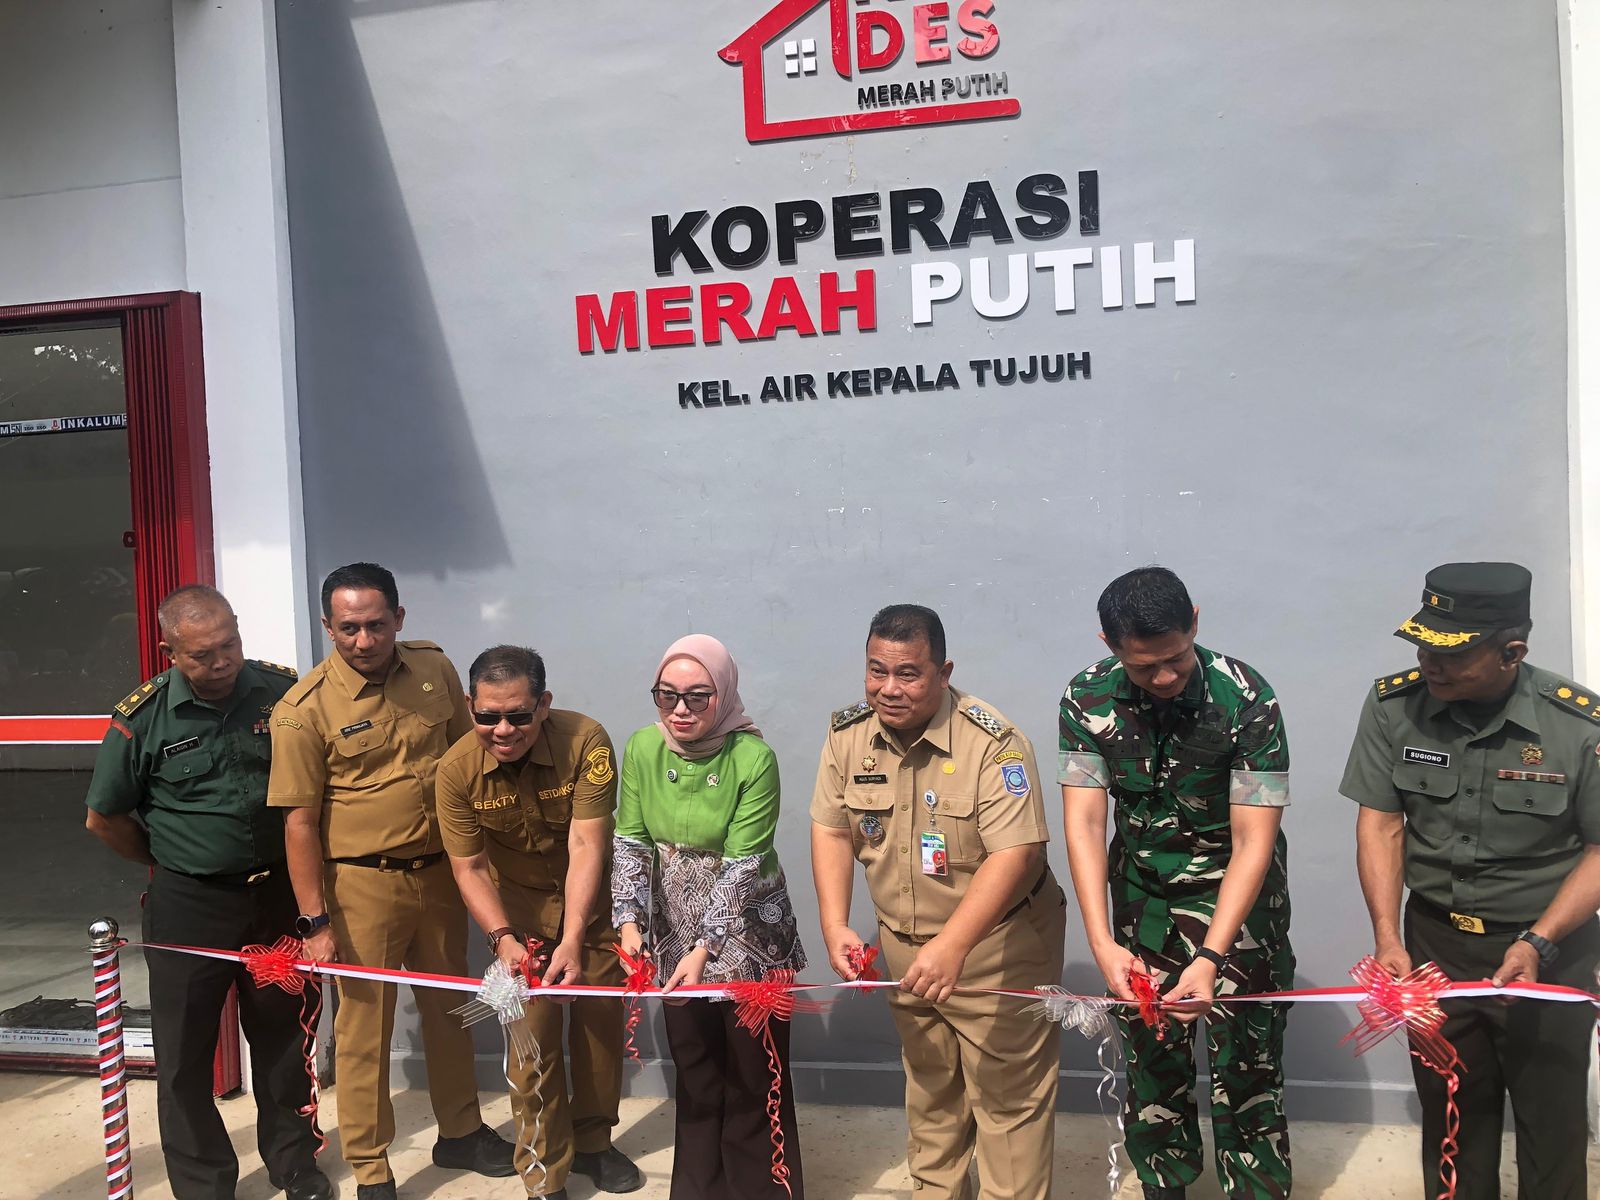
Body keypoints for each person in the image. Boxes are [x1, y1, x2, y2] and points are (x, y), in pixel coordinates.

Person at [1341, 561, 1600, 1200]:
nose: (1430, 662)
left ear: (1513, 653)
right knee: (1452, 1116)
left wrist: (1538, 941)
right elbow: (1381, 824)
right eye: (1423, 644)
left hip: (1549, 951)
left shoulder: (1579, 726)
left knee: (1551, 1123)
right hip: (1435, 949)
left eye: (1453, 652)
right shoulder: (1394, 707)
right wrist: (1386, 936)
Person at [267, 563, 514, 1199]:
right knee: (364, 1033)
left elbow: (467, 761)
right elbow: (299, 824)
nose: (364, 640)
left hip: (440, 876)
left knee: (451, 1010)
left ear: (399, 619)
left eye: (376, 625)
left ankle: (461, 1131)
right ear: (328, 627)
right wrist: (314, 921)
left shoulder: (434, 668)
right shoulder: (302, 711)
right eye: (348, 628)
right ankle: (372, 1167)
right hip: (361, 887)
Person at [83, 584, 332, 1200]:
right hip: (189, 906)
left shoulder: (282, 692)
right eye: (203, 654)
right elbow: (104, 817)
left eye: (230, 645)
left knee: (284, 1038)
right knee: (184, 1053)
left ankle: (295, 1165)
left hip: (276, 899)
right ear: (169, 652)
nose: (222, 662)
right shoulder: (143, 718)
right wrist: (172, 859)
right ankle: (203, 1185)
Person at [810, 604, 1065, 1200]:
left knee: (1008, 1104)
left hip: (998, 947)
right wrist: (834, 923)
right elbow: (831, 828)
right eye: (877, 671)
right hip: (905, 945)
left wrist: (953, 945)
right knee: (931, 1088)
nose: (888, 689)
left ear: (944, 672)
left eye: (908, 674)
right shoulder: (848, 736)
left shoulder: (994, 745)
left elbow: (1017, 853)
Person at [1058, 567, 1295, 1200]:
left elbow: (1254, 839)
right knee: (1153, 1065)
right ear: (1110, 645)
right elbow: (1085, 823)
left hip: (1241, 911)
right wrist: (1102, 942)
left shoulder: (1247, 698)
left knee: (1248, 1072)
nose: (1164, 678)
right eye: (1144, 667)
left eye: (1176, 659)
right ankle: (1164, 1186)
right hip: (1144, 905)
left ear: (1194, 621)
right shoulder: (1087, 697)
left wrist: (1213, 956)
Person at [436, 645, 643, 1199]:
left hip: (591, 913)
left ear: (544, 705)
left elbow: (587, 844)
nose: (503, 730)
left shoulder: (586, 741)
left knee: (598, 1035)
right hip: (519, 921)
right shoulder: (454, 771)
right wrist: (502, 938)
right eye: (488, 716)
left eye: (519, 715)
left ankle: (594, 1142)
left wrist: (573, 936)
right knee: (531, 1049)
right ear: (470, 707)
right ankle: (544, 1173)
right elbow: (469, 867)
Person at [612, 634, 807, 1200]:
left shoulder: (753, 758)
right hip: (674, 930)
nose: (680, 710)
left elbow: (744, 864)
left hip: (748, 936)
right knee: (695, 1070)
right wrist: (630, 924)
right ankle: (698, 1190)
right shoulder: (643, 748)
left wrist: (705, 949)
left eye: (698, 696)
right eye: (666, 695)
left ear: (723, 693)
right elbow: (630, 841)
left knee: (753, 1075)